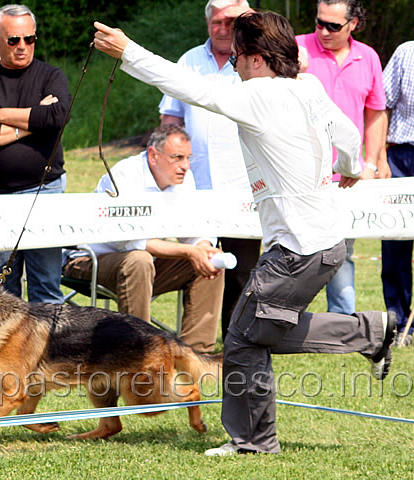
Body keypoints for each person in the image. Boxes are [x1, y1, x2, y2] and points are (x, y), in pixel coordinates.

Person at [93, 10, 396, 455]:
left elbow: (188, 87)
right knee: (256, 331)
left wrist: (127, 52)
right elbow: (349, 134)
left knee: (242, 339)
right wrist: (350, 168)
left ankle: (254, 441)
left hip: (297, 249)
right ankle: (371, 333)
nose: (232, 66)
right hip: (326, 242)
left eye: (235, 58)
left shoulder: (257, 96)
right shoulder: (308, 86)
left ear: (256, 57)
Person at [63, 124, 225, 354]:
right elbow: (131, 241)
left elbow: (195, 230)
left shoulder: (183, 179)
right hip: (89, 261)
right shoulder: (124, 175)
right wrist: (189, 252)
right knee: (139, 259)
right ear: (153, 155)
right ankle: (139, 355)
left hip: (144, 266)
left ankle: (195, 356)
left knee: (209, 260)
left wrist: (202, 248)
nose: (186, 166)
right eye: (177, 157)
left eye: (188, 158)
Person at [159, 0, 260, 341]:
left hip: (245, 188)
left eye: (230, 21)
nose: (222, 28)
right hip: (195, 187)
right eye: (216, 22)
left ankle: (238, 344)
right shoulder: (188, 61)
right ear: (207, 23)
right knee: (200, 268)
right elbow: (170, 119)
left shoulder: (256, 60)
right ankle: (197, 347)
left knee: (242, 273)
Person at [0, 4, 71, 303]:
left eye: (29, 39)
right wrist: (32, 122)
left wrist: (0, 115)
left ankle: (48, 351)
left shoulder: (51, 75)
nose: (23, 46)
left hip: (44, 192)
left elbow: (58, 117)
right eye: (13, 40)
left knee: (46, 286)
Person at [296, 0, 387, 315]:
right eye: (319, 22)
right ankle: (285, 321)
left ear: (354, 24)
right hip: (300, 174)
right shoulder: (296, 49)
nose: (323, 31)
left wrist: (373, 162)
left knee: (342, 251)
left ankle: (343, 324)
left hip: (348, 177)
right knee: (296, 251)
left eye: (333, 26)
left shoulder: (369, 57)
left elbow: (375, 113)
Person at [381, 41, 414, 347]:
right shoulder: (406, 52)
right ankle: (398, 323)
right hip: (402, 156)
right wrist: (379, 157)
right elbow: (382, 103)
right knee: (395, 244)